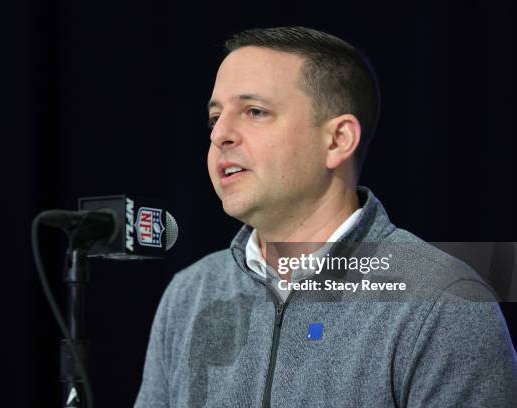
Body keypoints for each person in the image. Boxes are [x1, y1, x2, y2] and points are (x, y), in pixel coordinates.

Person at [135, 26, 517, 407]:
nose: (221, 134)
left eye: (254, 111)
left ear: (337, 140)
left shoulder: (444, 304)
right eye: (215, 118)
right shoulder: (190, 294)